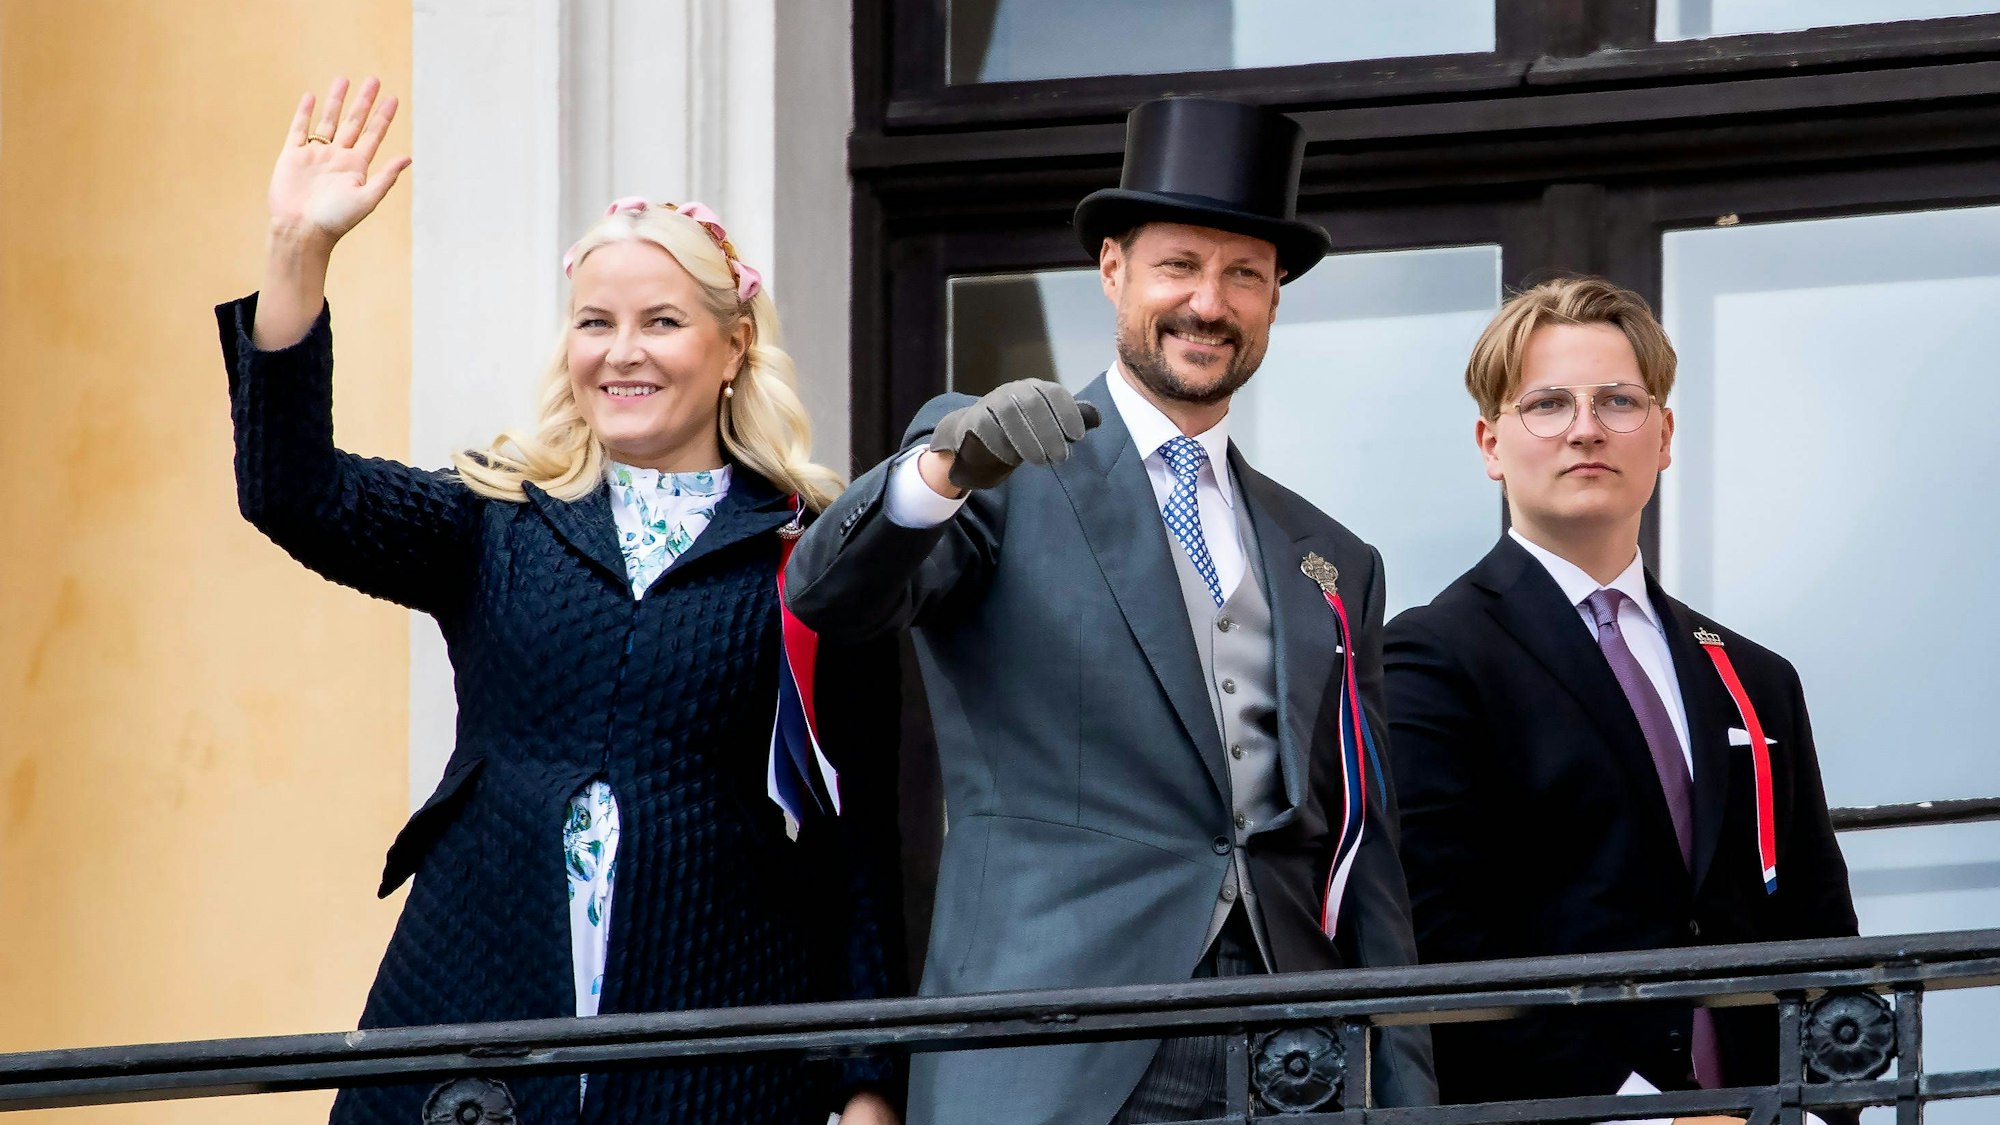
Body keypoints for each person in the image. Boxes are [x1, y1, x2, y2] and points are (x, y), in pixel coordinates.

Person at [220, 77, 903, 1124]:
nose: (621, 351)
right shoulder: (495, 518)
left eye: (661, 321)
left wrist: (868, 1083)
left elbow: (856, 840)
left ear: (733, 347)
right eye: (595, 322)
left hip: (717, 1054)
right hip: (469, 1019)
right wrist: (296, 250)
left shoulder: (810, 548)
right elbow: (291, 491)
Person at [784, 96, 1435, 1125]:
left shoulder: (1332, 559)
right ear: (1112, 270)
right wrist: (940, 471)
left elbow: (1366, 862)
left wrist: (1400, 1093)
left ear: (1274, 300)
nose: (1208, 303)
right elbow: (830, 595)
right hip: (1058, 1045)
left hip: (1290, 1059)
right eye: (1179, 265)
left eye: (1244, 275)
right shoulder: (991, 463)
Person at [1383, 277, 1858, 1125]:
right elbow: (1439, 936)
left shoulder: (1756, 676)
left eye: (1618, 400)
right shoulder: (1431, 656)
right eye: (1547, 404)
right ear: (1491, 444)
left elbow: (1821, 925)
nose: (1586, 428)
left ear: (1664, 434)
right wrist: (1650, 1114)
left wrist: (1824, 1111)